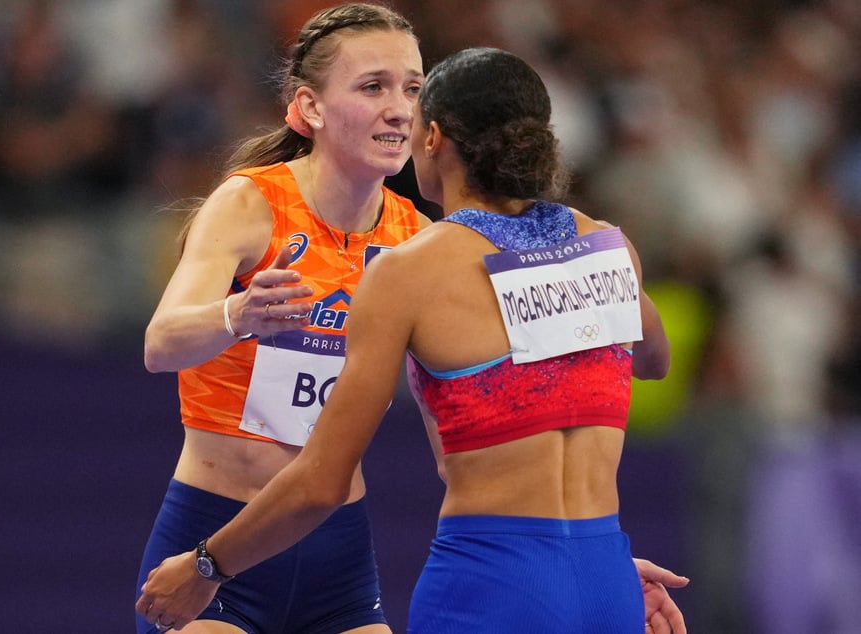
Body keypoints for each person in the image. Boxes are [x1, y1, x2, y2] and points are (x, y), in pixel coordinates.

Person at [136, 38, 688, 634]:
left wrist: (206, 563)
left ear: (434, 139)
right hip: (603, 573)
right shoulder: (607, 246)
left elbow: (322, 480)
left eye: (412, 94)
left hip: (490, 581)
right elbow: (653, 359)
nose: (397, 110)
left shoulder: (410, 267)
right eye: (374, 86)